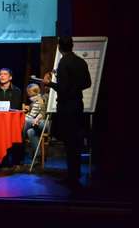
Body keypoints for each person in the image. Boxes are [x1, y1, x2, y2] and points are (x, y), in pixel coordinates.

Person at [43, 36, 91, 187]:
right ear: (72, 45)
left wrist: (49, 84)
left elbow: (62, 88)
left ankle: (72, 176)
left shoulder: (64, 62)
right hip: (78, 104)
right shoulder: (80, 61)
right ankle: (75, 173)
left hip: (66, 106)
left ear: (59, 47)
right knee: (76, 141)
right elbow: (88, 83)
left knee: (70, 142)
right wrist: (75, 88)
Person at [23, 83, 47, 161]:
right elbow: (32, 112)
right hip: (34, 122)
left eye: (29, 93)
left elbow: (42, 112)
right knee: (30, 131)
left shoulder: (41, 99)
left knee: (26, 121)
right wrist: (26, 110)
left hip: (42, 122)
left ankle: (20, 141)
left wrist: (36, 119)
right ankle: (38, 155)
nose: (29, 95)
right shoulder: (33, 102)